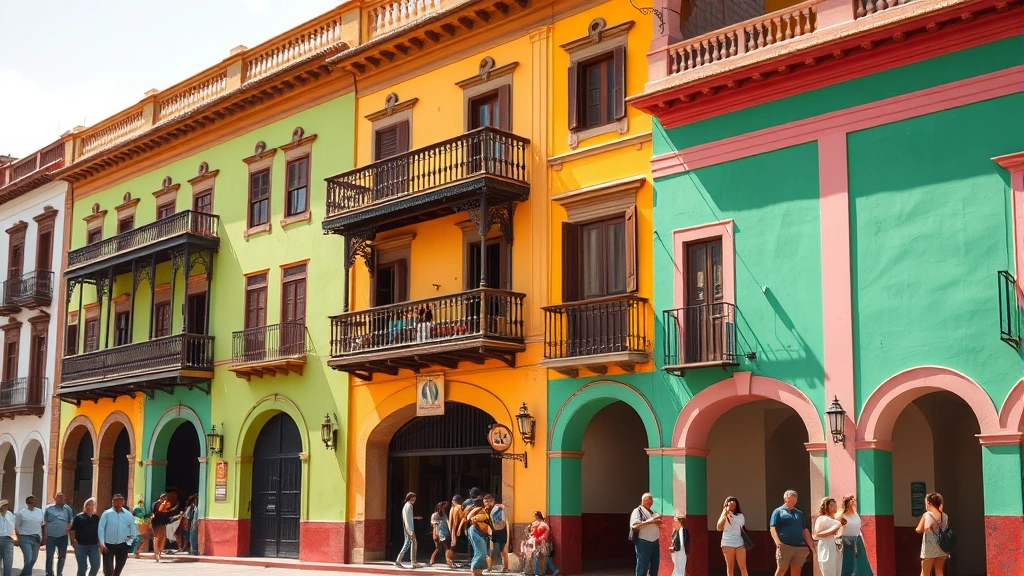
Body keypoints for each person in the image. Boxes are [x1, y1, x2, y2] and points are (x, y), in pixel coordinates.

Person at [769, 490, 816, 576]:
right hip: (785, 546)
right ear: (785, 499)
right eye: (790, 501)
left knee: (797, 570)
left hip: (799, 547)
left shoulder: (799, 513)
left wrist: (811, 546)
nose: (792, 503)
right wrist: (778, 542)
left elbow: (804, 530)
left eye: (794, 501)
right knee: (782, 569)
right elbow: (772, 528)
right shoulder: (778, 511)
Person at [97, 495, 137, 576]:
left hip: (122, 545)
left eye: (119, 501)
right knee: (108, 570)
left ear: (123, 502)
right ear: (112, 502)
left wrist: (129, 541)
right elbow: (101, 528)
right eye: (115, 501)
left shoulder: (128, 514)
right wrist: (101, 542)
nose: (117, 503)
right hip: (108, 545)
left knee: (119, 568)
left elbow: (133, 529)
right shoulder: (106, 514)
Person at [835, 494, 872, 576]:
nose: (854, 502)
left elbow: (858, 528)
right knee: (848, 562)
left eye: (854, 500)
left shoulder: (855, 513)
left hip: (857, 540)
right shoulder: (841, 514)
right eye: (852, 500)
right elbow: (836, 526)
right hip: (846, 542)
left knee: (861, 562)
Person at [916, 492, 949, 576]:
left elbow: (919, 529)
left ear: (929, 503)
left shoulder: (927, 515)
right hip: (941, 547)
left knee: (925, 572)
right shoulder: (944, 515)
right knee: (939, 571)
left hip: (929, 548)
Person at [630, 493, 662, 576]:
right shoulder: (637, 511)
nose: (650, 501)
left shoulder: (653, 512)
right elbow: (634, 526)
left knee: (654, 567)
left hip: (655, 543)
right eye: (648, 499)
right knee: (642, 566)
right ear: (643, 501)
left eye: (651, 499)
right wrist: (651, 522)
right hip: (643, 543)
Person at [716, 496, 748, 576]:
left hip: (740, 542)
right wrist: (725, 515)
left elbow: (739, 526)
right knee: (730, 566)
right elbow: (719, 528)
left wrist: (730, 514)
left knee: (743, 567)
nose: (732, 507)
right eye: (730, 505)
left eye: (734, 505)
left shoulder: (740, 516)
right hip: (727, 542)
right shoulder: (723, 515)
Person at [44, 493, 74, 576]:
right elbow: (45, 522)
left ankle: (59, 573)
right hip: (51, 536)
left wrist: (68, 528)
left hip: (63, 536)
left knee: (62, 556)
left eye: (61, 498)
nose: (60, 499)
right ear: (55, 498)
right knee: (49, 556)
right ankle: (49, 573)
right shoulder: (49, 508)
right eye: (58, 497)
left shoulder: (67, 509)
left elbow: (71, 520)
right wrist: (44, 536)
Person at [69, 499, 100, 576]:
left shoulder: (96, 518)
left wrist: (100, 541)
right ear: (85, 506)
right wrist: (73, 542)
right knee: (82, 567)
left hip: (94, 546)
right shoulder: (79, 517)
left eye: (92, 505)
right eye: (88, 505)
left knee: (96, 566)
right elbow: (72, 530)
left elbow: (100, 530)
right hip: (81, 545)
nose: (90, 507)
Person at [813, 498, 843, 576]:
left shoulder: (835, 520)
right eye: (831, 505)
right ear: (826, 507)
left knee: (837, 572)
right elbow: (816, 535)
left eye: (835, 505)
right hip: (826, 548)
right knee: (828, 572)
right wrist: (834, 529)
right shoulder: (822, 519)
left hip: (836, 548)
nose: (834, 507)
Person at [14, 495, 43, 576]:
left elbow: (40, 524)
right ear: (27, 502)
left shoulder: (40, 511)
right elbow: (16, 527)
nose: (32, 502)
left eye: (34, 500)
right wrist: (19, 538)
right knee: (29, 559)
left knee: (33, 559)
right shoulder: (21, 513)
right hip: (25, 537)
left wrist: (42, 537)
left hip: (37, 538)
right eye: (30, 501)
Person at [149, 492, 179, 562]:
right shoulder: (157, 504)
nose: (166, 499)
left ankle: (159, 552)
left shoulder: (164, 504)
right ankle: (156, 553)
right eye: (165, 498)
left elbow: (166, 512)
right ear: (162, 498)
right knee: (157, 537)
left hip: (162, 522)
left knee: (163, 537)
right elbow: (158, 512)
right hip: (157, 523)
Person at [465, 498, 491, 576]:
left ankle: (477, 570)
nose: (486, 504)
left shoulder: (480, 510)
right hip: (475, 531)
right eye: (485, 502)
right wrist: (476, 518)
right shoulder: (480, 511)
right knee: (481, 551)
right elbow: (471, 518)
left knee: (481, 551)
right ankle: (476, 569)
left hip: (477, 531)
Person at [484, 494, 509, 572]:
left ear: (492, 501)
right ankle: (491, 567)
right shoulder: (487, 510)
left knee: (499, 551)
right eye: (485, 502)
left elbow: (502, 522)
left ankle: (504, 568)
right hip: (494, 533)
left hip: (498, 533)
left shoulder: (498, 510)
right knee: (494, 551)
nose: (486, 504)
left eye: (488, 502)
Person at [529, 511, 557, 576]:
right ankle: (537, 572)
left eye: (535, 516)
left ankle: (537, 572)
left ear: (538, 517)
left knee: (542, 557)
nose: (534, 517)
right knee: (541, 556)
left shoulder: (543, 524)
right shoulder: (538, 524)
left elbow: (546, 533)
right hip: (538, 543)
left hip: (541, 543)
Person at [395, 492, 419, 569]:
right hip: (409, 528)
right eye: (413, 498)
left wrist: (415, 518)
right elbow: (407, 519)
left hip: (408, 528)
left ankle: (399, 560)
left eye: (415, 499)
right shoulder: (408, 506)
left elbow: (409, 518)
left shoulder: (408, 506)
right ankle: (413, 562)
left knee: (408, 543)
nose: (414, 500)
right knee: (412, 543)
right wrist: (411, 531)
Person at [429, 501, 453, 568]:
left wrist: (450, 531)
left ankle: (448, 560)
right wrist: (437, 532)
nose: (443, 509)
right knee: (438, 548)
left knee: (446, 547)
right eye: (443, 507)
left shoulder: (444, 515)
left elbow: (447, 522)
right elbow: (433, 523)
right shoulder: (434, 515)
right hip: (437, 533)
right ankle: (432, 559)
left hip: (445, 533)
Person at [1, 499, 17, 576]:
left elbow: (13, 525)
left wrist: (14, 535)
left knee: (8, 562)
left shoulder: (10, 514)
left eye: (4, 506)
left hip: (8, 540)